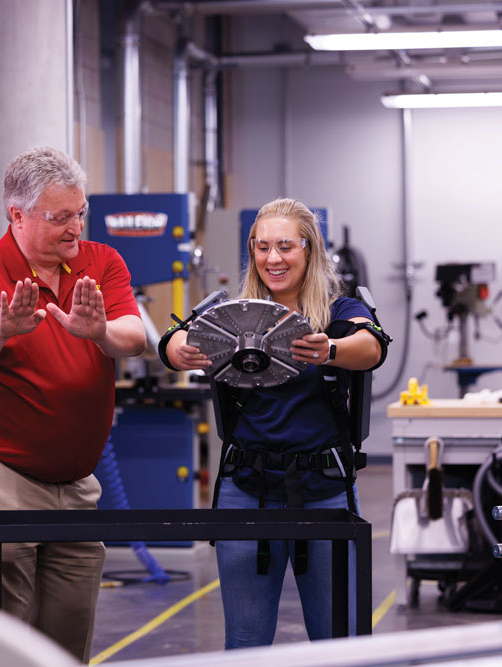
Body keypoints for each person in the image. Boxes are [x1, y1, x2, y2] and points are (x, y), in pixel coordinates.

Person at [0, 146, 147, 662]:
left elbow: (134, 337)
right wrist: (0, 331)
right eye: (59, 217)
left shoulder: (100, 262)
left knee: (68, 642)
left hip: (75, 487)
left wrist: (100, 332)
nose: (75, 228)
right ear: (17, 216)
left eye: (80, 213)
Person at [160, 198, 387, 647]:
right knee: (245, 639)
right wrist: (180, 349)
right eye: (262, 247)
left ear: (310, 249)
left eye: (285, 246)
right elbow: (175, 337)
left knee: (337, 639)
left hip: (325, 490)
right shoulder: (230, 314)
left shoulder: (338, 312)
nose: (273, 259)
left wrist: (331, 351)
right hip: (245, 489)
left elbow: (373, 344)